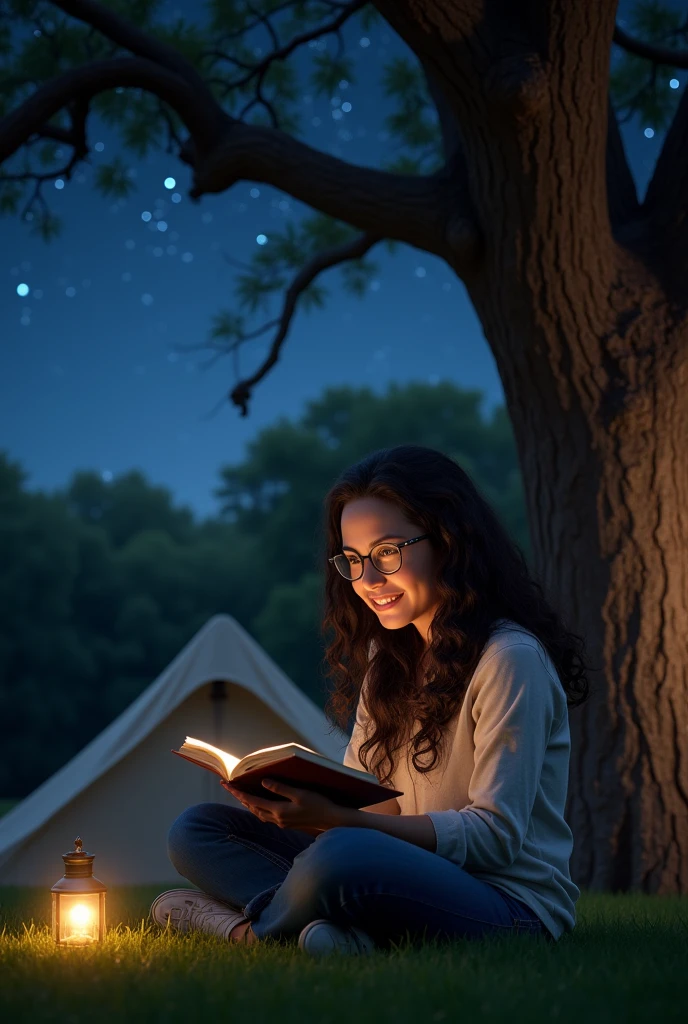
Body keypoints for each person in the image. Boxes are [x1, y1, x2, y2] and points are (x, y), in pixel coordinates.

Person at [150, 443, 590, 956]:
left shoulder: (509, 658)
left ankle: (251, 932)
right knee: (199, 829)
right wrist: (299, 807)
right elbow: (374, 802)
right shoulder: (390, 657)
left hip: (506, 903)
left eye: (386, 552)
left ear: (449, 540)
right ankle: (339, 932)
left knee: (343, 854)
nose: (369, 581)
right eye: (353, 560)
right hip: (395, 867)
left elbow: (496, 836)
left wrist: (344, 824)